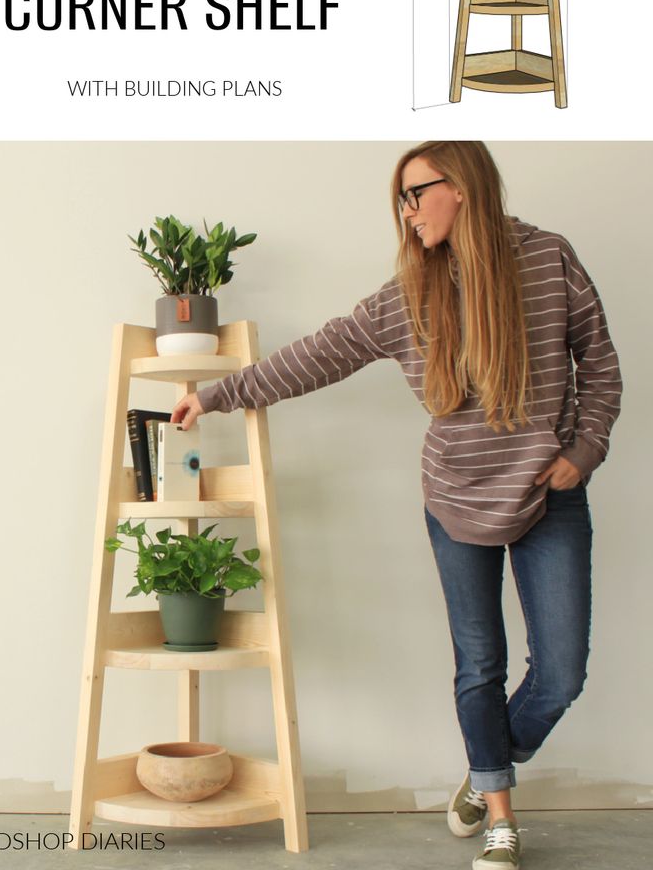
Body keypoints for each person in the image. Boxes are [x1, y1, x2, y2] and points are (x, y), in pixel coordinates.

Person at [171, 140, 622, 870]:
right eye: (401, 201)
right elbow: (320, 353)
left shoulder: (548, 260)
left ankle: (485, 769)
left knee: (562, 672)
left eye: (417, 195)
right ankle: (501, 816)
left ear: (465, 188)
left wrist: (583, 453)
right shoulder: (410, 294)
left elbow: (599, 363)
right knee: (480, 663)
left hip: (549, 494)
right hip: (454, 500)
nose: (407, 214)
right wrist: (217, 395)